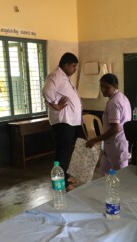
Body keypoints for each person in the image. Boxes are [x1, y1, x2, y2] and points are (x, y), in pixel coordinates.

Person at [43, 52, 82, 191]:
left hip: (69, 120)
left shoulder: (63, 76)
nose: (75, 69)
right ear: (66, 65)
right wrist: (55, 104)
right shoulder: (56, 75)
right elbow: (47, 90)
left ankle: (63, 176)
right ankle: (62, 183)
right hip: (63, 120)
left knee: (64, 151)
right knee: (62, 151)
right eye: (73, 66)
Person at [86, 74, 132, 175]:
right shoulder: (121, 97)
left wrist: (95, 140)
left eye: (107, 87)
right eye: (101, 86)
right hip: (114, 143)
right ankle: (106, 189)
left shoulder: (114, 103)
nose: (103, 90)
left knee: (120, 176)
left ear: (115, 86)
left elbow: (115, 128)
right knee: (104, 172)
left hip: (116, 144)